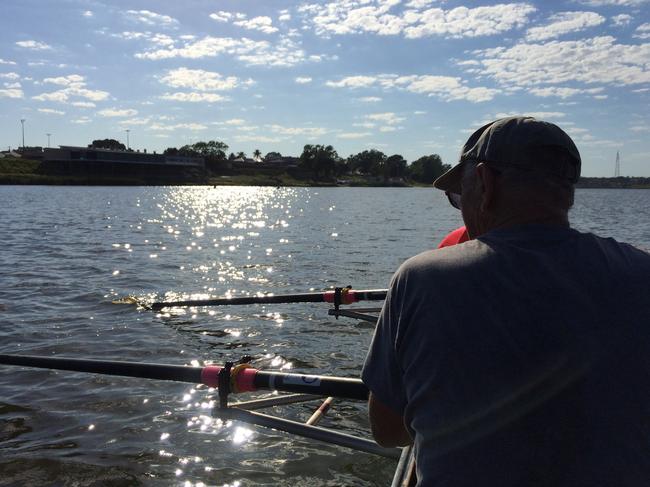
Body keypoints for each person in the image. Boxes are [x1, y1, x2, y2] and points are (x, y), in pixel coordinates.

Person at [362, 116, 650, 486]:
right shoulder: (641, 272)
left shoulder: (422, 279)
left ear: (484, 183)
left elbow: (387, 431)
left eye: (457, 195)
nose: (460, 206)